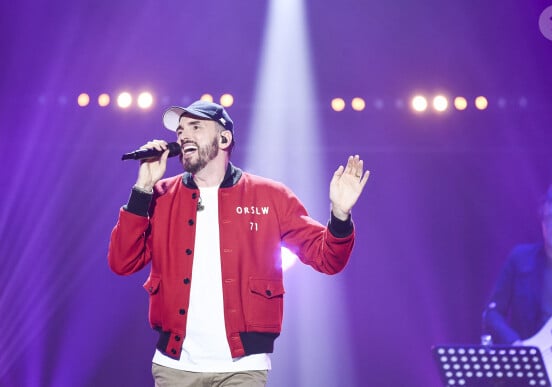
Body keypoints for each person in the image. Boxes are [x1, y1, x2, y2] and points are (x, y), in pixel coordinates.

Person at [107, 99, 370, 386]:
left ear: (224, 138)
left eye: (195, 127)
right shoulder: (161, 195)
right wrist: (142, 188)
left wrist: (340, 215)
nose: (182, 136)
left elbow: (327, 259)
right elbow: (122, 262)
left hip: (242, 368)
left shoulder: (270, 196)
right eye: (180, 131)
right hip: (174, 368)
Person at [482, 185, 552, 385]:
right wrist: (515, 344)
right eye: (549, 218)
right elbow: (492, 314)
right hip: (527, 371)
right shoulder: (521, 259)